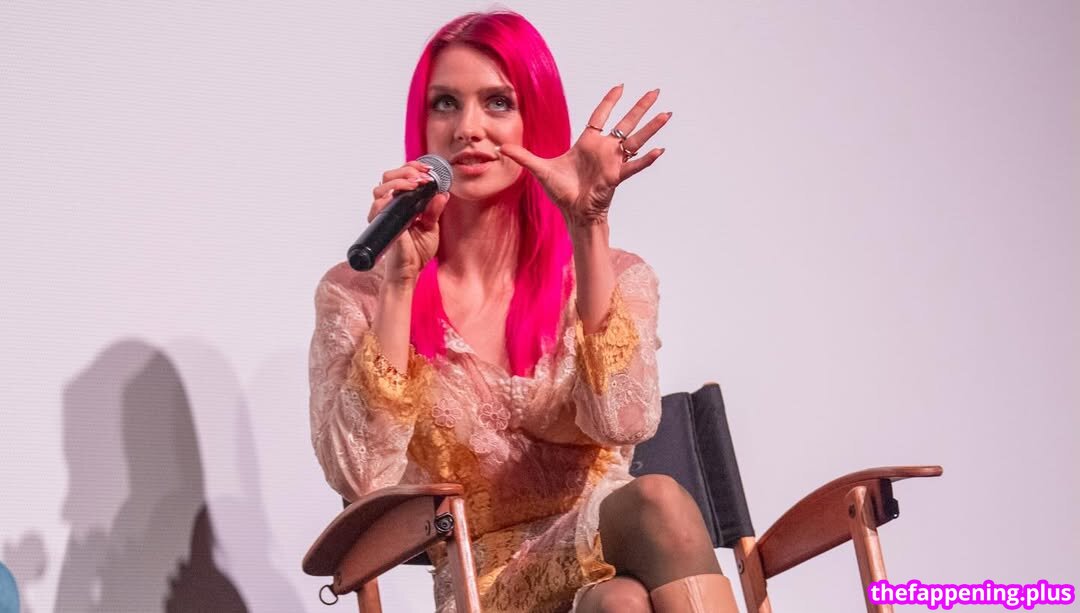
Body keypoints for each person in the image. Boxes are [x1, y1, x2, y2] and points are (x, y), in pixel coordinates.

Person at [309, 11, 737, 613]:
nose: (469, 128)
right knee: (641, 549)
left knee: (626, 580)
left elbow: (625, 423)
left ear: (535, 118)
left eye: (498, 103)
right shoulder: (356, 293)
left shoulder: (617, 275)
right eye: (445, 104)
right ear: (421, 124)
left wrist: (588, 225)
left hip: (609, 538)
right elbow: (361, 478)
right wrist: (400, 282)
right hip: (482, 579)